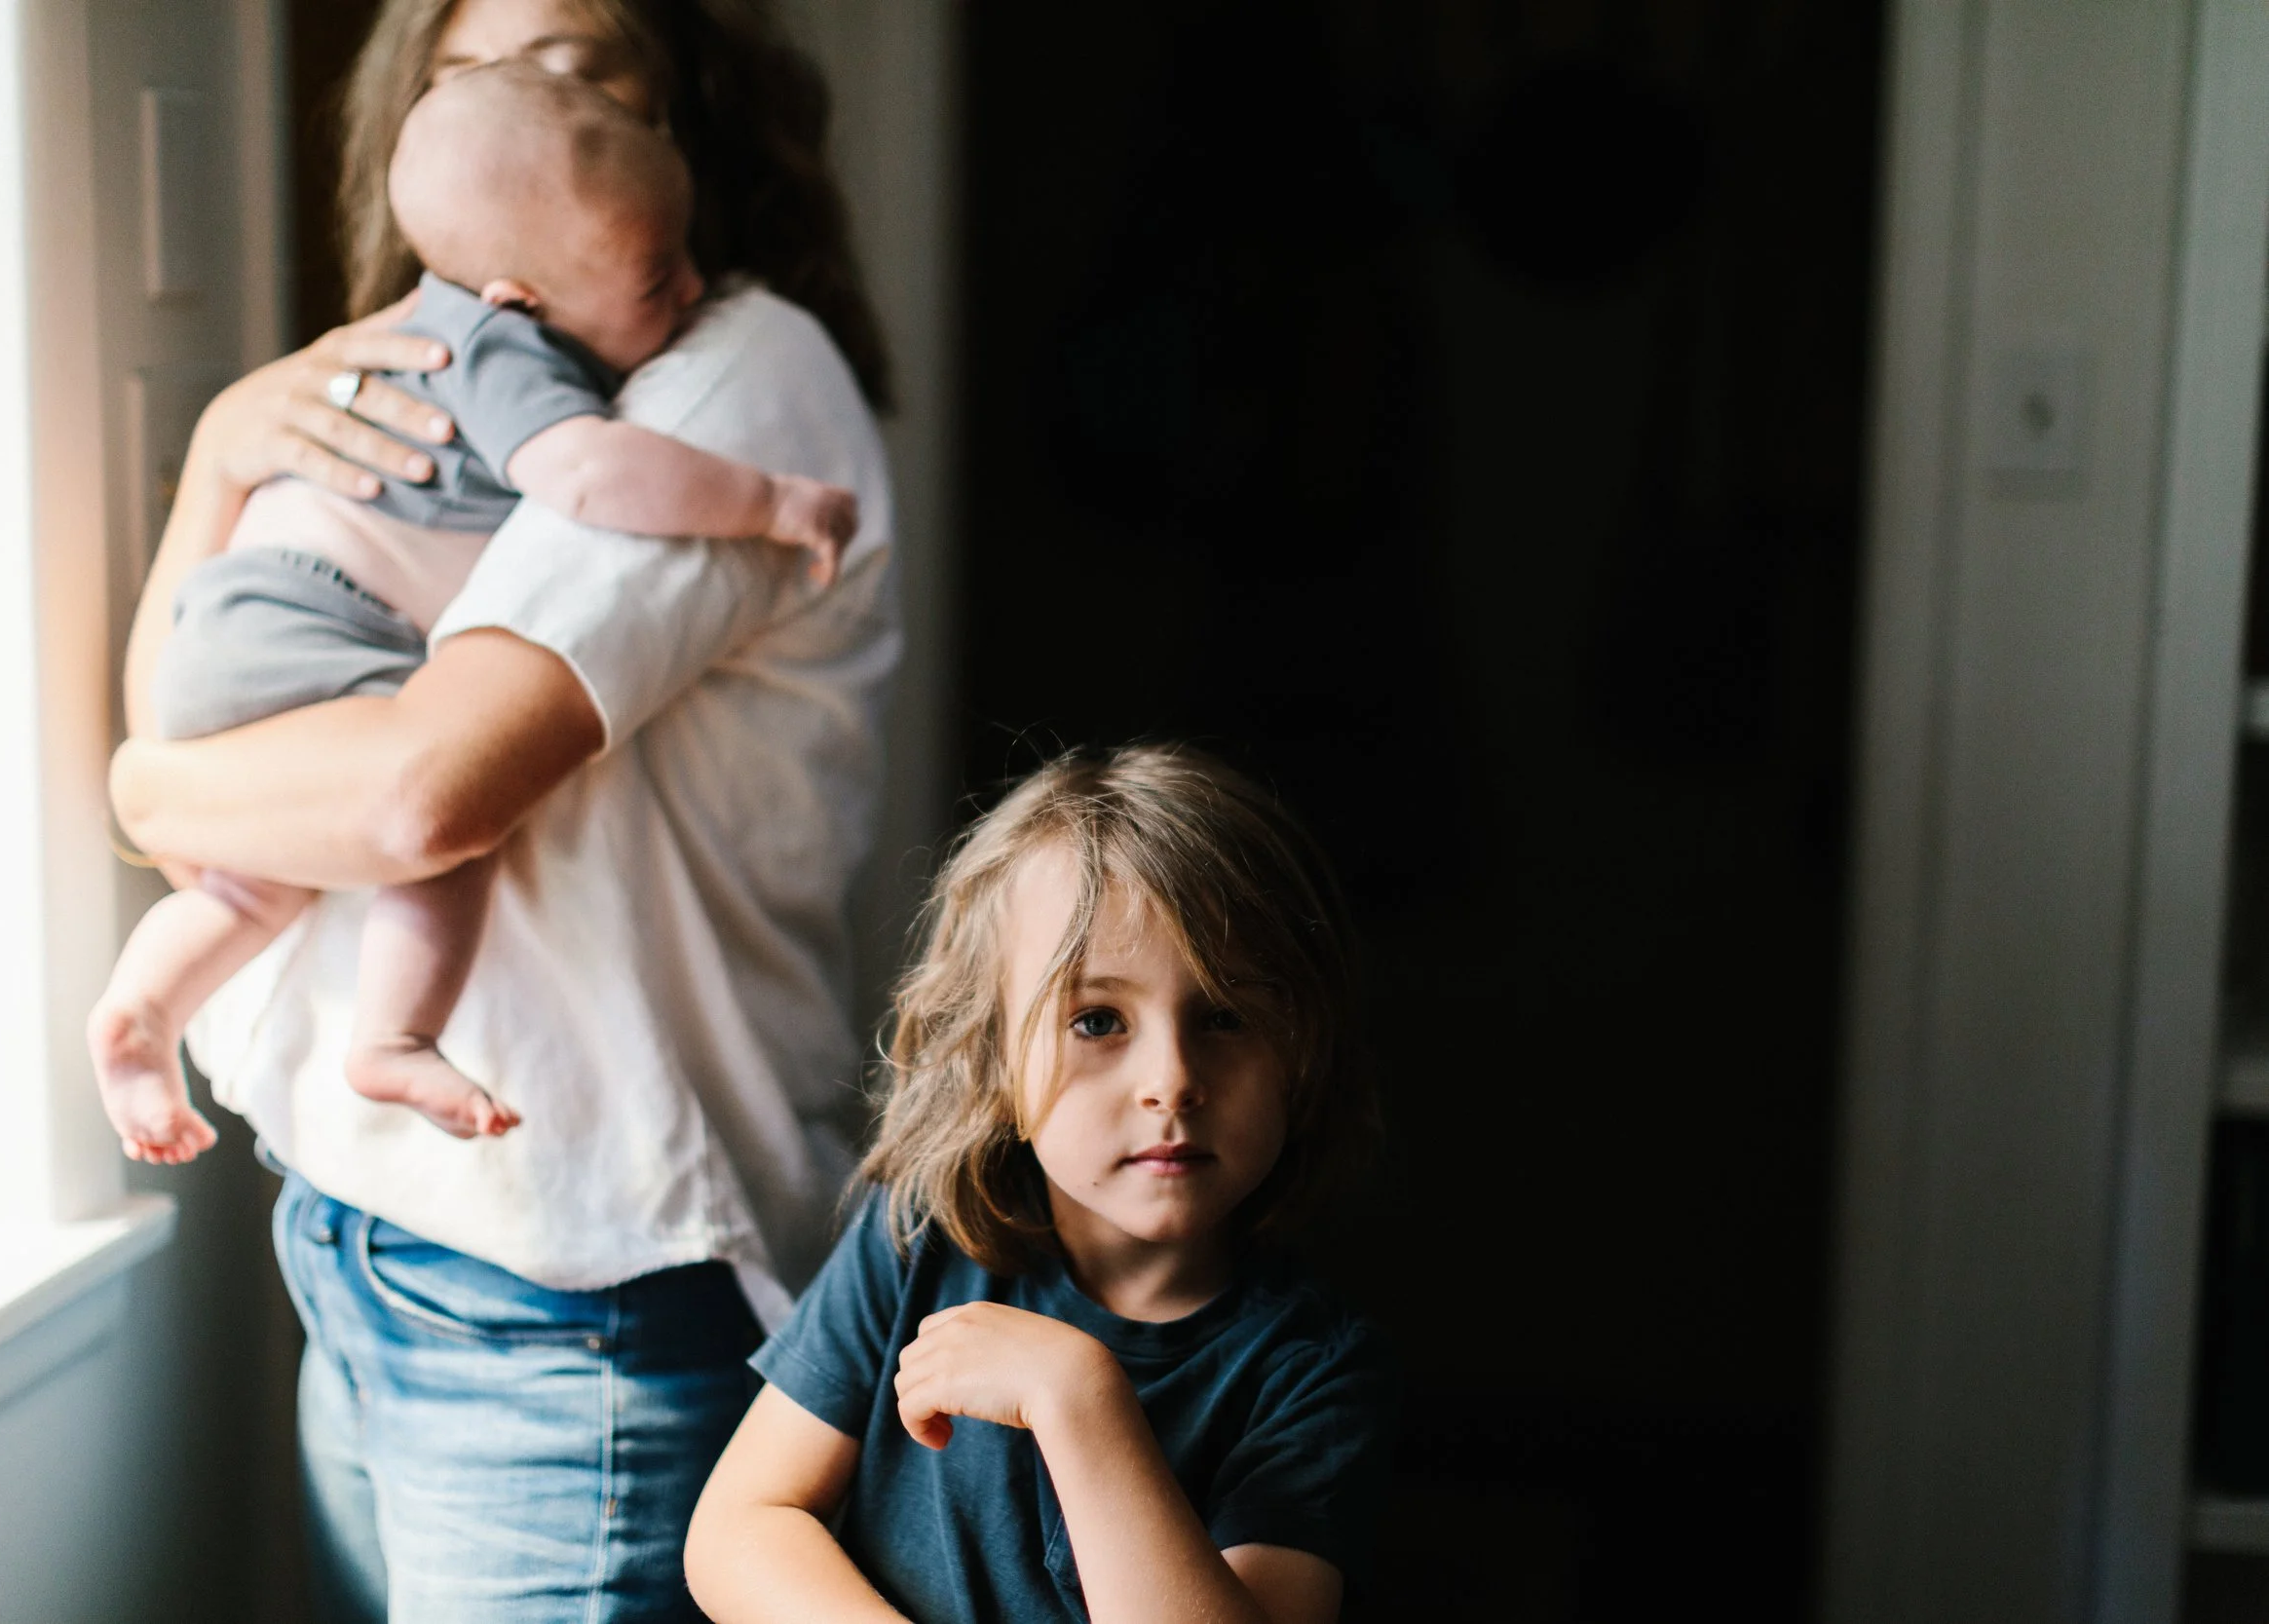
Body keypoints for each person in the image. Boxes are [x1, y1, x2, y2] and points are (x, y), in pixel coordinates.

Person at [107, 1, 895, 1617]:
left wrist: (140, 792)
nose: (536, 93)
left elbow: (411, 797)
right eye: (483, 70)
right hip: (364, 1231)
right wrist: (207, 466)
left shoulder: (732, 375)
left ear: (673, 114)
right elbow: (209, 730)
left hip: (571, 1292)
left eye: (586, 63)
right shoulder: (450, 364)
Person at [91, 62, 855, 1156]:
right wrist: (768, 501)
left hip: (234, 629)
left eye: (589, 69)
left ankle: (144, 1010)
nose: (690, 291)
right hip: (317, 617)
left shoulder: (702, 346)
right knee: (446, 851)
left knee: (256, 886)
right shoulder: (505, 349)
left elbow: (171, 801)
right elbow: (589, 476)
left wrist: (152, 788)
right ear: (516, 294)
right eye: (654, 277)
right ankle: (395, 1036)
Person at [685, 745, 1395, 1624]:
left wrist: (1080, 1398)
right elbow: (741, 1526)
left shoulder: (1309, 1373)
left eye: (1224, 1015)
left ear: (1301, 1051)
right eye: (1098, 1019)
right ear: (993, 1058)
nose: (1171, 1079)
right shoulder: (922, 1235)